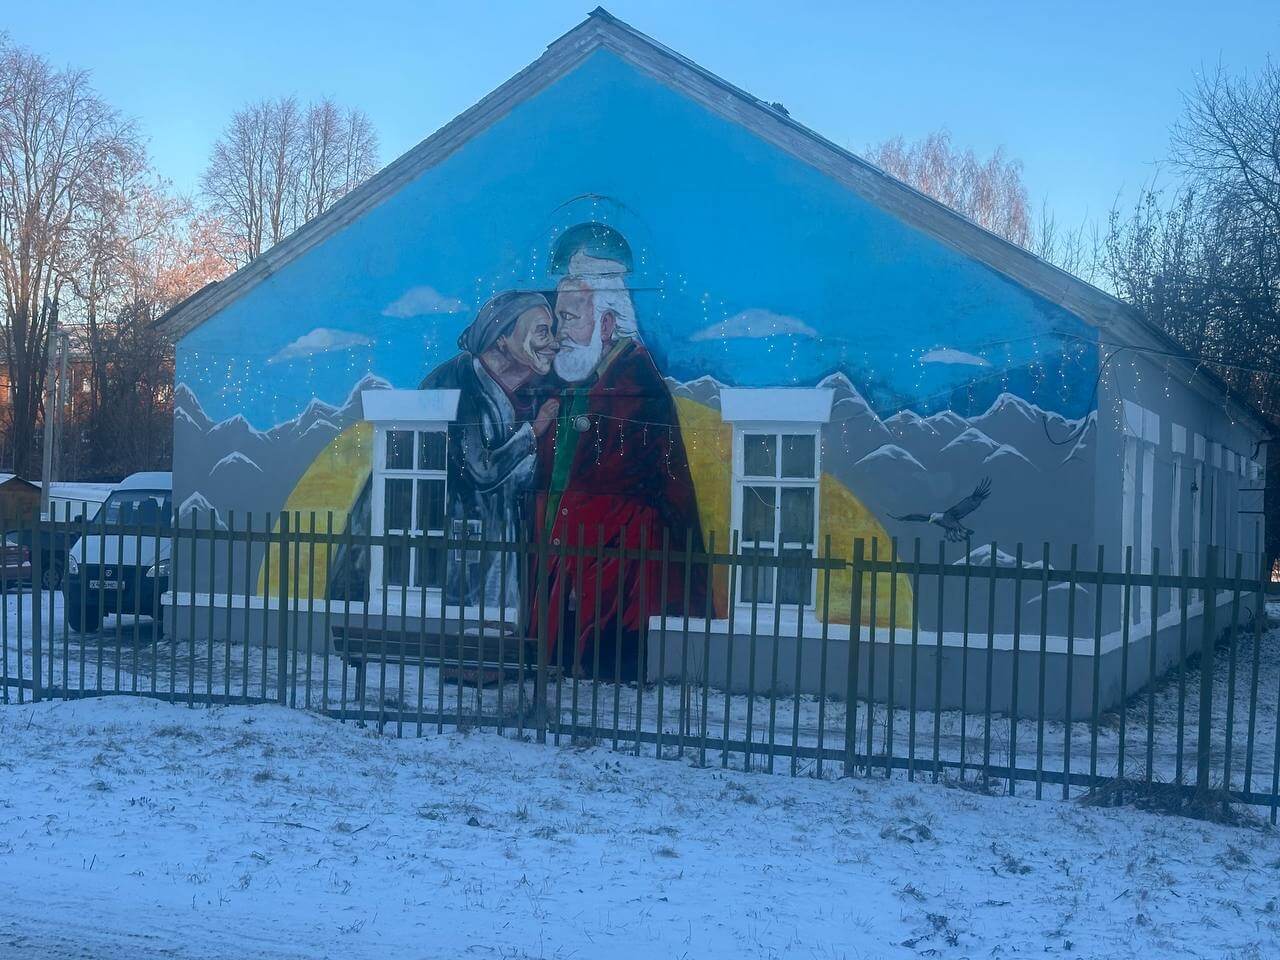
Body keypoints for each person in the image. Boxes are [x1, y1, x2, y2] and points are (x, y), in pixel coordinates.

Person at [532, 259, 707, 678]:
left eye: (569, 319)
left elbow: (606, 487)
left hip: (621, 575)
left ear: (607, 324)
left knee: (605, 669)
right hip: (581, 567)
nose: (559, 333)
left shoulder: (633, 387)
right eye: (557, 320)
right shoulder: (581, 382)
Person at [421, 291, 560, 608]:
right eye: (542, 331)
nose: (554, 342)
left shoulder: (522, 389)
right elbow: (480, 469)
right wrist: (534, 431)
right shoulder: (460, 384)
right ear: (502, 339)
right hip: (462, 542)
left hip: (501, 540)